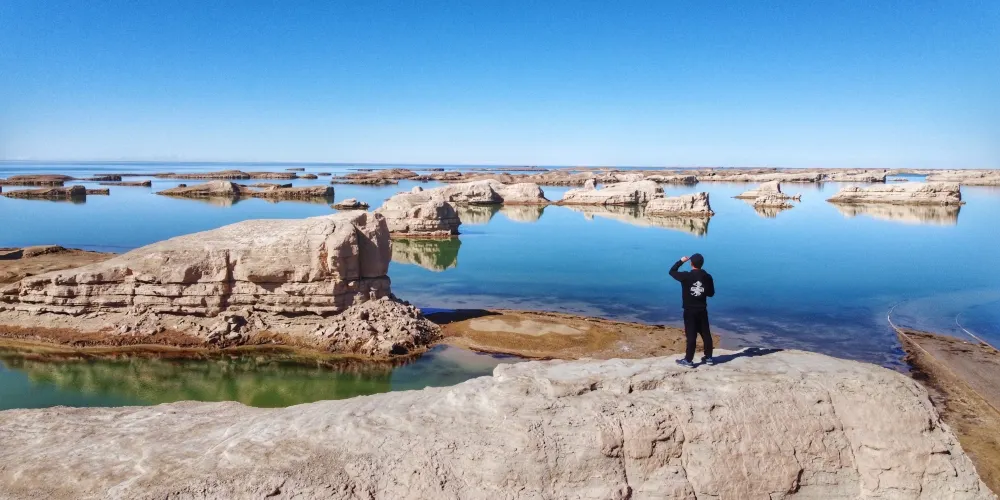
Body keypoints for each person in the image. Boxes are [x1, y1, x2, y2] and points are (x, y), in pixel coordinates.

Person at [669, 253, 715, 367]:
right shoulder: (707, 277)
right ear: (702, 264)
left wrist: (681, 261)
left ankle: (688, 360)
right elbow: (711, 294)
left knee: (691, 335)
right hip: (702, 310)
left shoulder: (686, 276)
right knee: (706, 333)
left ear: (691, 263)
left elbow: (672, 271)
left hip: (689, 311)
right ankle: (709, 357)